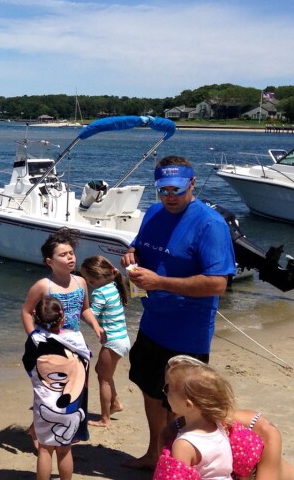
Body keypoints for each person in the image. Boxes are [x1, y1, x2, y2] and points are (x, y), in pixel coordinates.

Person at [121, 156, 237, 470]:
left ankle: (177, 464)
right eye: (163, 190)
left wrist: (160, 282)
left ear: (192, 183)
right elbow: (140, 247)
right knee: (149, 389)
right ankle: (154, 453)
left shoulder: (210, 224)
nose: (170, 196)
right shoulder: (155, 211)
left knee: (183, 404)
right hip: (152, 323)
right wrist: (131, 255)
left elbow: (217, 284)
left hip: (188, 334)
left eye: (177, 189)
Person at [23, 295, 91, 480]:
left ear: (36, 319)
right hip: (70, 408)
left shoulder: (34, 341)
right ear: (62, 318)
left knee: (45, 450)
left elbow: (29, 367)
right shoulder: (76, 339)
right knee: (64, 450)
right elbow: (86, 361)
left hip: (45, 403)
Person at [153, 354, 234, 479]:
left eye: (168, 389)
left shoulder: (184, 444)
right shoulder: (219, 425)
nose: (165, 392)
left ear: (188, 404)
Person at [21, 228, 105, 342]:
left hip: (73, 338)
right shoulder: (43, 286)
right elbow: (26, 312)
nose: (70, 257)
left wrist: (96, 326)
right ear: (50, 262)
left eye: (71, 253)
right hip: (48, 339)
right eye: (63, 254)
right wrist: (33, 336)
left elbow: (84, 310)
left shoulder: (80, 282)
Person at [80, 255, 130, 428]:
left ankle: (105, 418)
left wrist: (78, 310)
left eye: (88, 279)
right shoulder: (114, 285)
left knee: (104, 379)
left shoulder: (100, 292)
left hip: (113, 342)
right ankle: (115, 404)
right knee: (102, 372)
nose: (87, 281)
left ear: (96, 278)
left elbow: (91, 314)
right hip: (122, 339)